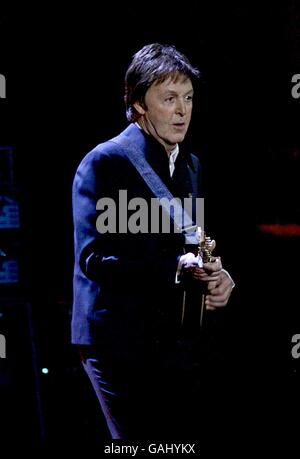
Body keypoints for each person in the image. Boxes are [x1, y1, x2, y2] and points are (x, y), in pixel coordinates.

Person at [71, 43, 234, 441]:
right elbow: (93, 258)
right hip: (117, 343)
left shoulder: (191, 165)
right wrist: (172, 268)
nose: (183, 111)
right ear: (140, 103)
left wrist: (218, 276)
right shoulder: (105, 162)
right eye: (169, 98)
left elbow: (190, 244)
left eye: (189, 98)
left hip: (175, 340)